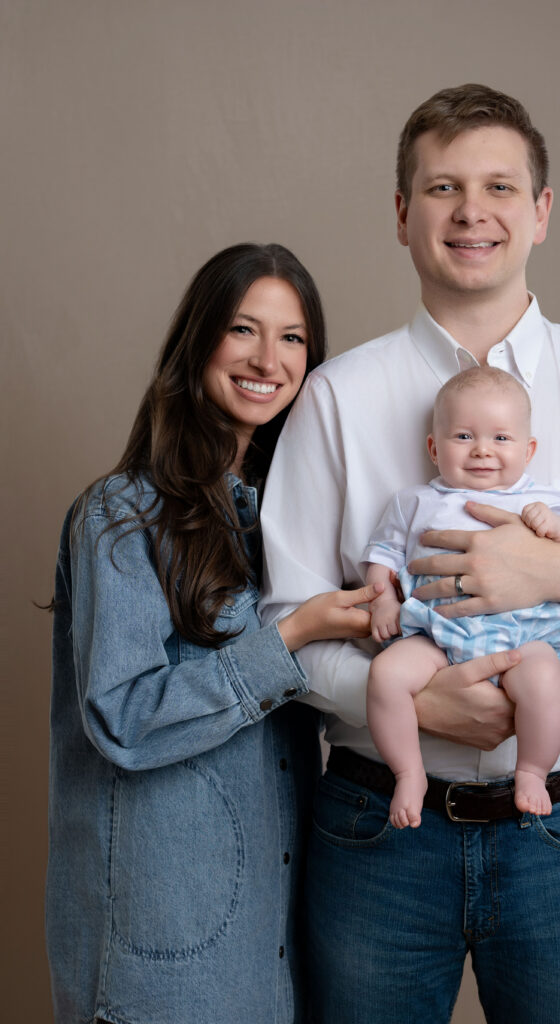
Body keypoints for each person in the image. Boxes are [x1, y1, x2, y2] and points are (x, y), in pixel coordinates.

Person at [260, 85, 560, 1023]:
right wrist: (408, 698)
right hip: (377, 833)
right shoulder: (335, 398)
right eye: (442, 188)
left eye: (500, 186)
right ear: (401, 214)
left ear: (540, 212)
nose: (473, 211)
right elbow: (282, 623)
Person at [44, 242, 381, 1024]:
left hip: (273, 942)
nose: (268, 357)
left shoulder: (282, 523)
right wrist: (291, 635)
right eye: (242, 329)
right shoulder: (121, 515)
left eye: (292, 337)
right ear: (198, 341)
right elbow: (121, 719)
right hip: (159, 957)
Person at [365, 366, 560, 827]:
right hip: (436, 632)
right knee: (386, 674)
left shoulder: (546, 500)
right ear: (434, 447)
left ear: (529, 451)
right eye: (464, 436)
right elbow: (382, 555)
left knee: (544, 679)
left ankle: (532, 770)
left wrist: (557, 529)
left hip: (521, 637)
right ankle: (409, 771)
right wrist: (383, 601)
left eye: (502, 439)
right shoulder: (414, 502)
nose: (483, 450)